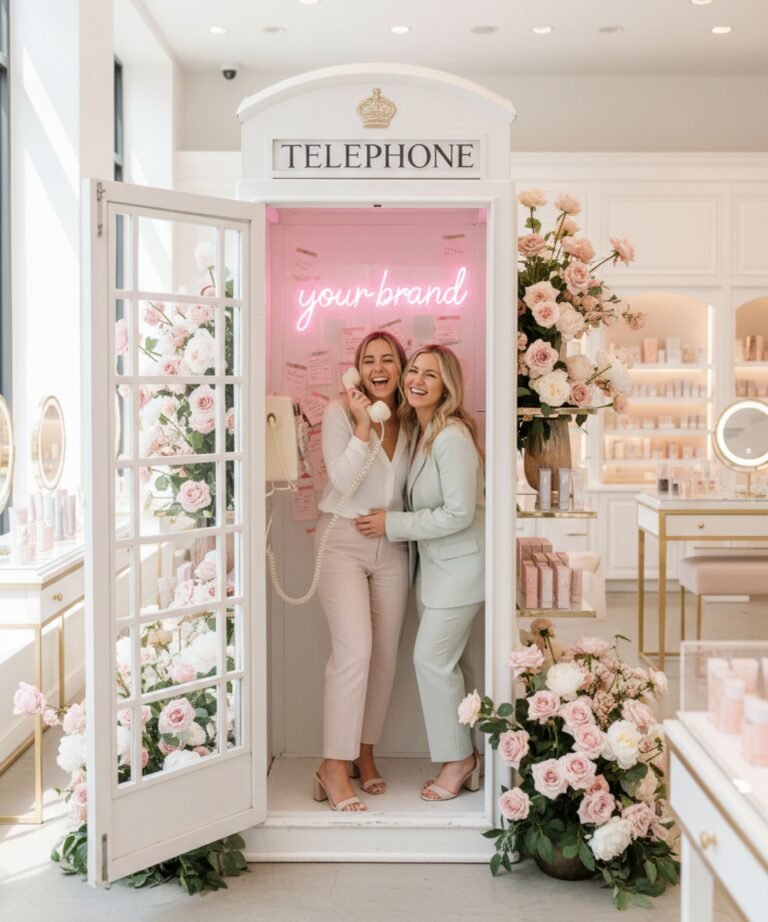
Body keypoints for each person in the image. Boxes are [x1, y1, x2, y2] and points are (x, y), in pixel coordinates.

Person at [355, 345, 485, 802]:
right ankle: (470, 756)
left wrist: (392, 525)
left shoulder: (450, 437)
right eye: (413, 370)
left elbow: (459, 514)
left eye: (431, 375)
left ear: (447, 386)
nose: (416, 380)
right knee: (454, 666)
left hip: (460, 571)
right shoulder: (422, 431)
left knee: (431, 660)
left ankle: (458, 760)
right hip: (437, 573)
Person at [313, 330, 411, 812]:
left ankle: (363, 754)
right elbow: (341, 480)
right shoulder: (338, 415)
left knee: (386, 657)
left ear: (400, 368)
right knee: (354, 652)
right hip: (343, 542)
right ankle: (333, 764)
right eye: (368, 359)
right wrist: (360, 424)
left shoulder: (412, 421)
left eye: (387, 359)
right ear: (356, 370)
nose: (378, 367)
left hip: (391, 544)